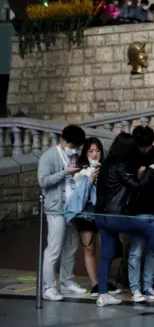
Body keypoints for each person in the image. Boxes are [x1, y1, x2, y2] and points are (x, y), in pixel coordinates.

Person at [94, 133, 154, 307]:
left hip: (100, 216)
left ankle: (103, 295)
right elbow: (138, 186)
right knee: (151, 230)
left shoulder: (107, 164)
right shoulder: (120, 166)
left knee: (106, 255)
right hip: (115, 216)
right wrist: (150, 170)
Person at [38, 125, 87, 301]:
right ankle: (49, 287)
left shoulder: (73, 156)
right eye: (73, 145)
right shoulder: (49, 157)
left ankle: (67, 280)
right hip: (56, 208)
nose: (74, 150)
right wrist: (65, 172)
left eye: (77, 147)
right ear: (63, 140)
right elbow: (43, 181)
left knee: (71, 247)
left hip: (72, 209)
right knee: (54, 249)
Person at [69, 137, 120, 296]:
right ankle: (95, 283)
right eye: (91, 151)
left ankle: (103, 280)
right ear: (86, 153)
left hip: (103, 211)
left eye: (97, 151)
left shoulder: (105, 168)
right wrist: (90, 179)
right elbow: (79, 195)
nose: (95, 154)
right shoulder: (80, 171)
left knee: (106, 247)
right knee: (89, 248)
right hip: (85, 213)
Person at [128, 126, 154, 303]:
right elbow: (127, 182)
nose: (145, 150)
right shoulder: (131, 156)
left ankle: (148, 286)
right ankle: (135, 288)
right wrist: (138, 175)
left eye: (147, 146)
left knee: (153, 250)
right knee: (137, 250)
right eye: (142, 147)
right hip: (138, 209)